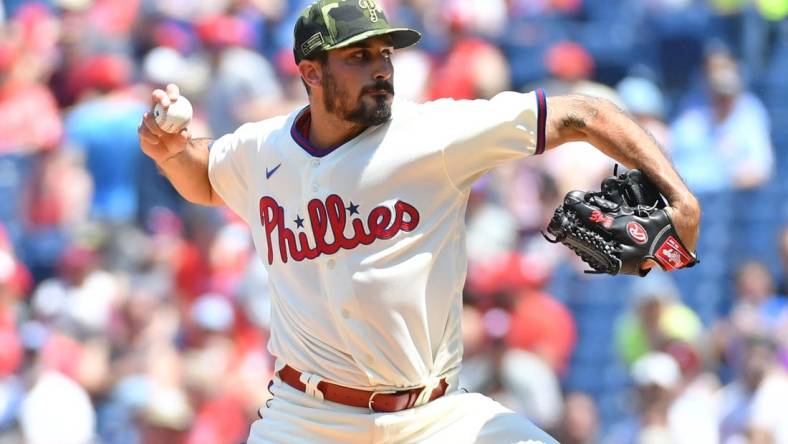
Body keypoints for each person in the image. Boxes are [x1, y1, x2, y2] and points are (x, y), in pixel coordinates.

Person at [137, 1, 700, 442]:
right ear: (310, 70)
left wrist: (680, 198)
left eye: (386, 54)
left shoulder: (432, 135)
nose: (381, 68)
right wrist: (169, 151)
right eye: (359, 57)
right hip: (307, 419)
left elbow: (585, 114)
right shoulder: (261, 150)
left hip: (434, 417)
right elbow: (206, 177)